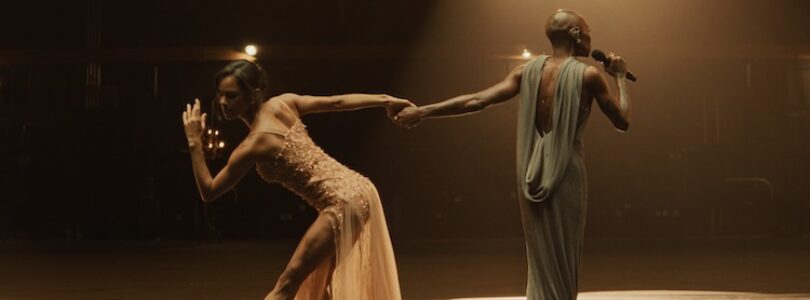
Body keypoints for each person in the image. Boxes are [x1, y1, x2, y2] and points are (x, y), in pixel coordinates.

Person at [393, 9, 633, 299]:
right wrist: (619, 77)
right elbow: (623, 122)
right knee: (564, 253)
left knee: (542, 255)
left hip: (532, 170)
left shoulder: (526, 72)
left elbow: (476, 100)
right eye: (588, 30)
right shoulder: (590, 76)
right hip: (567, 171)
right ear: (576, 35)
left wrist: (423, 111)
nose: (591, 37)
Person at [181, 60, 409, 300]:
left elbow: (209, 191)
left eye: (231, 96)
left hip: (342, 202)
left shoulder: (255, 142)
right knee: (321, 287)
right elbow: (336, 102)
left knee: (286, 286)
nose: (223, 103)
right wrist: (386, 99)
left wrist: (194, 143)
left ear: (254, 95)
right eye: (220, 95)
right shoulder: (283, 103)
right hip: (360, 190)